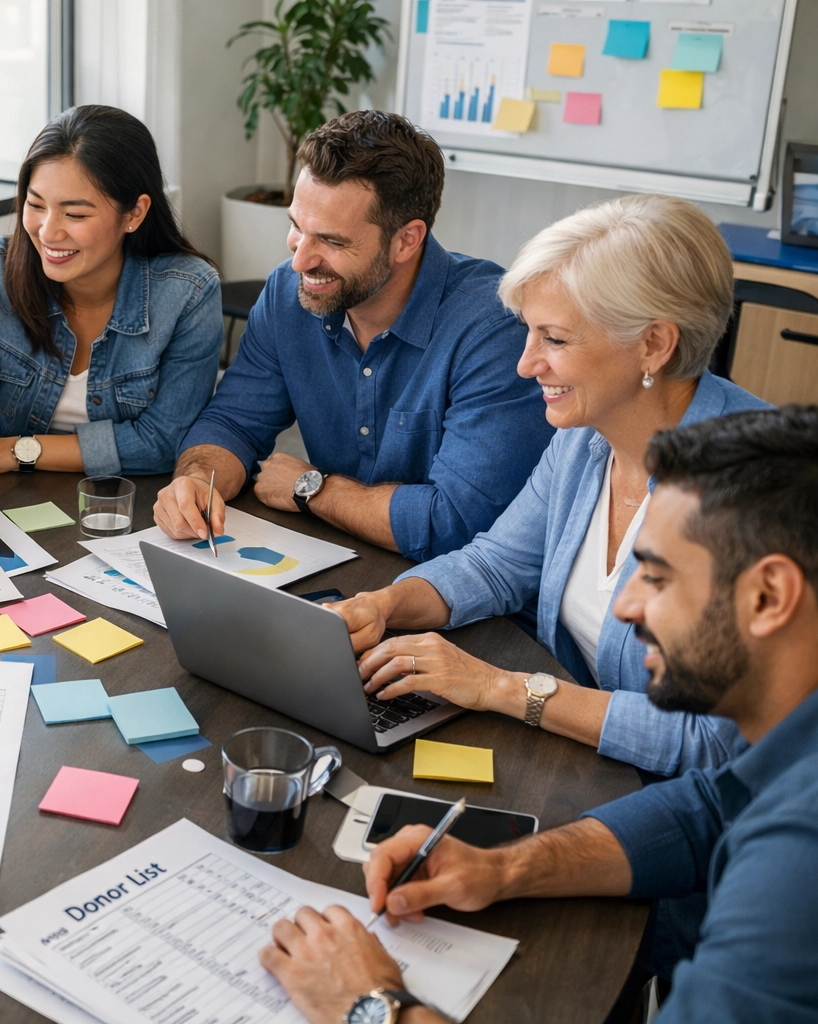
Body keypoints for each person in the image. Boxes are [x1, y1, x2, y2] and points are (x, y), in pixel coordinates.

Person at [257, 407, 818, 1024]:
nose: (625, 607)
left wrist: (368, 1004)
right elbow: (710, 809)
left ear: (768, 596)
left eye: (655, 577)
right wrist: (505, 866)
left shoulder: (794, 863)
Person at [332, 195, 769, 778]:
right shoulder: (588, 436)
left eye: (556, 340)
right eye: (529, 334)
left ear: (654, 345)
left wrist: (499, 687)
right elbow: (497, 565)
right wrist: (387, 604)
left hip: (708, 810)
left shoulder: (758, 488)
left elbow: (714, 740)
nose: (525, 364)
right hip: (588, 758)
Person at [153, 110, 552, 562]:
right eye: (296, 228)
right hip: (336, 558)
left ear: (407, 240)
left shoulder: (493, 331)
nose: (301, 260)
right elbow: (234, 422)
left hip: (457, 598)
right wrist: (195, 481)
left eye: (332, 242)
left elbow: (458, 524)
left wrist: (312, 488)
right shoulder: (289, 294)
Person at [0, 105, 223, 573]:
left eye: (74, 213)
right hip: (0, 506)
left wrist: (17, 451)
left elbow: (163, 439)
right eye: (35, 205)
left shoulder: (188, 291)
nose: (48, 232)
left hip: (120, 510)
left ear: (134, 213)